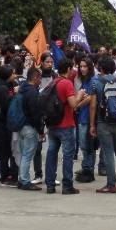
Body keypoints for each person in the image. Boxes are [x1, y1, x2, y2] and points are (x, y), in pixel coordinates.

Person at [90, 56, 116, 194]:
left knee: (108, 153)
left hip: (103, 122)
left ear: (101, 68)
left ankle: (111, 184)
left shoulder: (96, 82)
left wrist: (92, 124)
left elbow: (93, 105)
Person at [45, 58, 84, 195]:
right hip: (66, 124)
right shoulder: (66, 83)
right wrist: (79, 95)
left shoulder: (53, 82)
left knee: (51, 153)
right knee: (68, 155)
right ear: (68, 69)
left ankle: (50, 184)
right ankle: (67, 186)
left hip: (53, 124)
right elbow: (73, 104)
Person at [16, 67, 43, 191]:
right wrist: (40, 130)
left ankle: (22, 179)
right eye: (40, 78)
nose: (41, 81)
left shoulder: (21, 89)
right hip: (29, 127)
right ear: (35, 77)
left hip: (20, 125)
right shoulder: (32, 92)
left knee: (23, 154)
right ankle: (25, 181)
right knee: (27, 154)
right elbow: (35, 114)